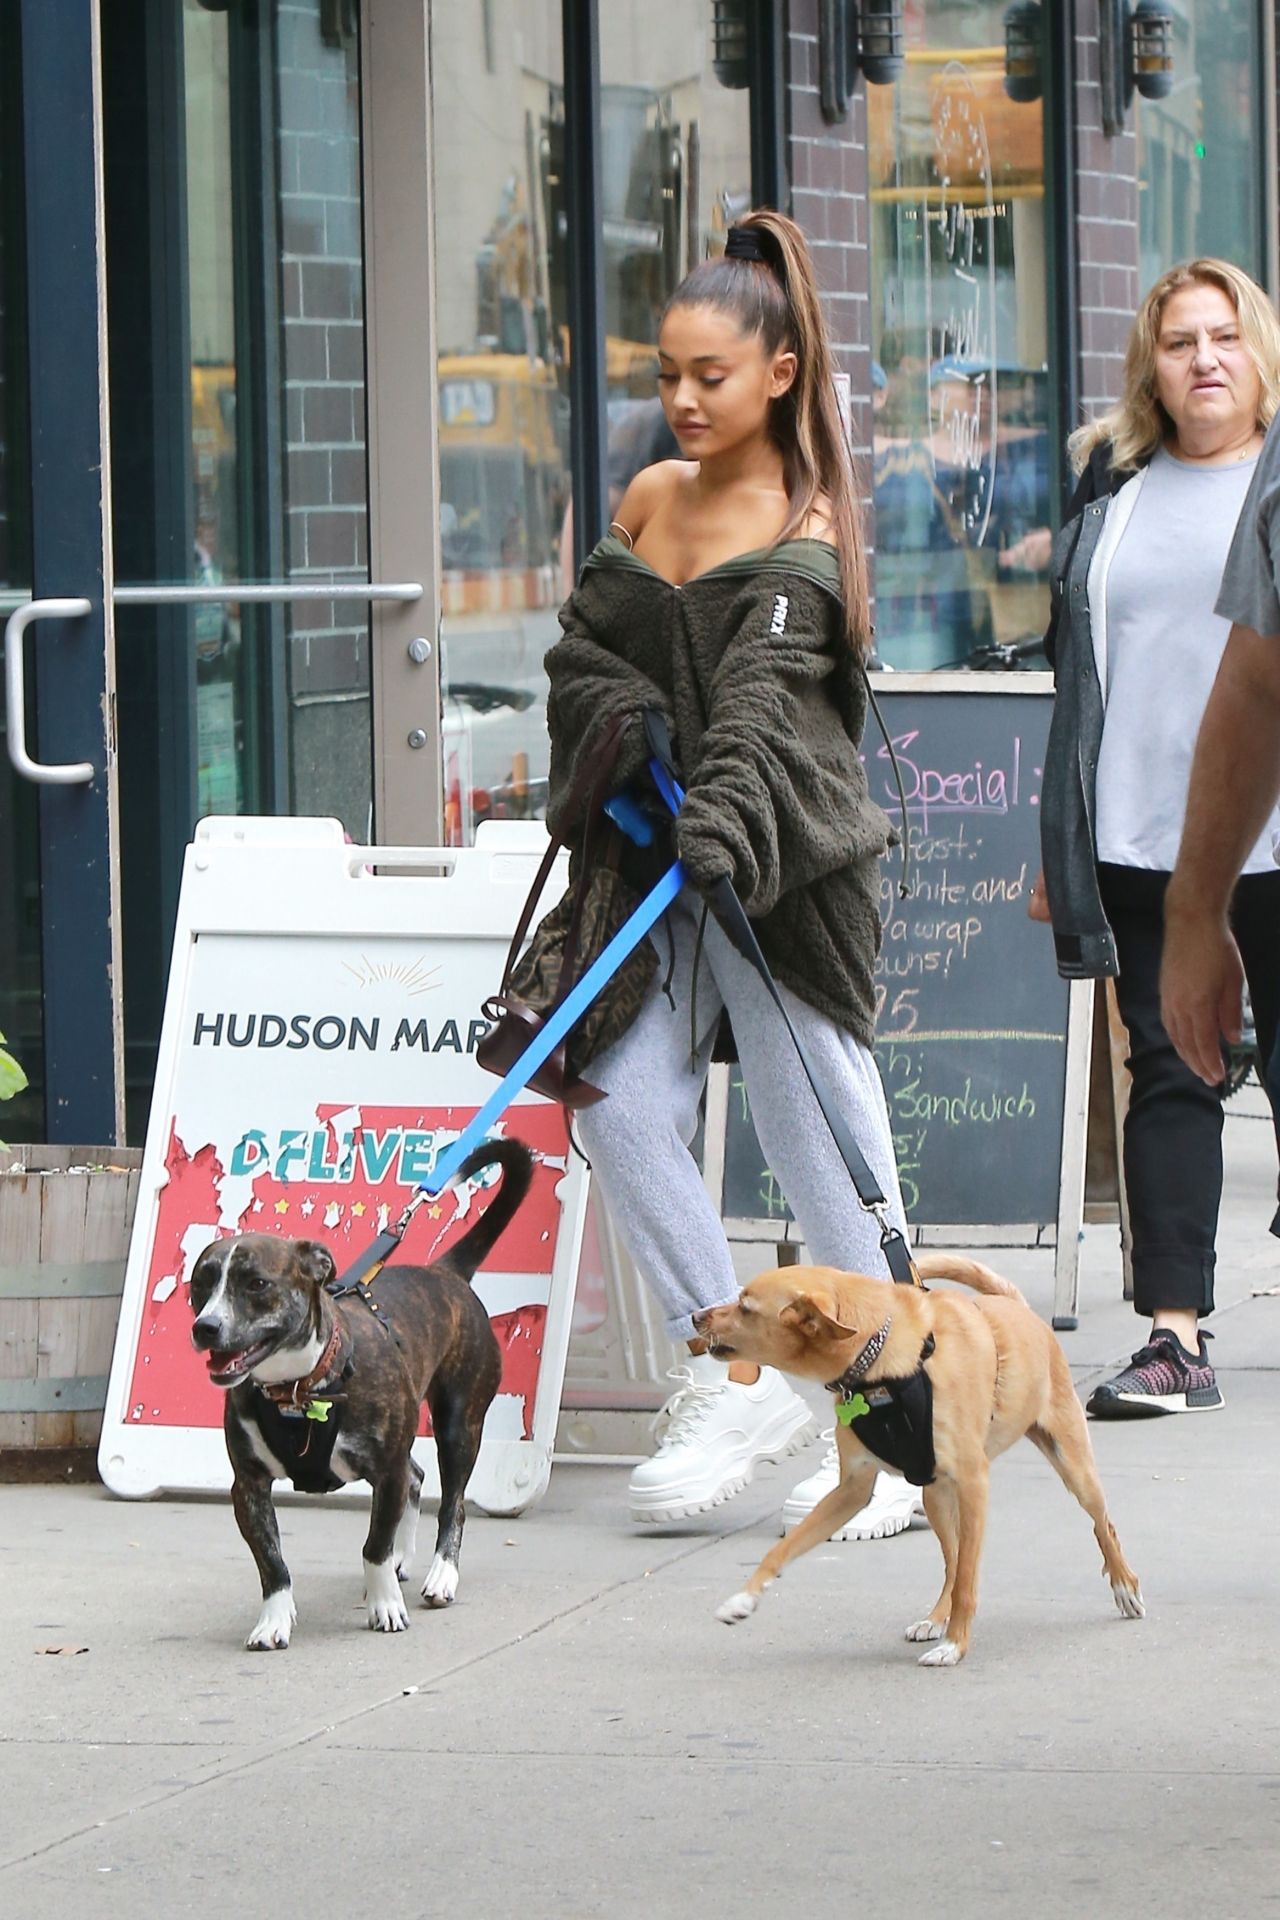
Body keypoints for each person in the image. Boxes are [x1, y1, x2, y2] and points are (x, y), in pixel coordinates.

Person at [543, 210, 922, 1538]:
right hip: (653, 867)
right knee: (618, 1103)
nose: (684, 401)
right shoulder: (649, 499)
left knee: (822, 1144)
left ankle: (891, 1423)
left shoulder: (808, 519)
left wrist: (723, 811)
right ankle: (744, 1364)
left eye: (712, 376)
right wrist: (622, 725)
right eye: (666, 376)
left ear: (779, 373)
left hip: (786, 874)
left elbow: (765, 701)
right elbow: (578, 656)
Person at [1032, 259, 1280, 1418]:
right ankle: (1171, 1336)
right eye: (1179, 341)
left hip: (1274, 841)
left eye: (1224, 337)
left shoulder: (1276, 485)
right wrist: (1060, 845)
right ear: (1152, 365)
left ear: (1258, 351)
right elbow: (1071, 674)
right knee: (1168, 1078)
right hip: (1142, 838)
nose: (1203, 360)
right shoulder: (1108, 485)